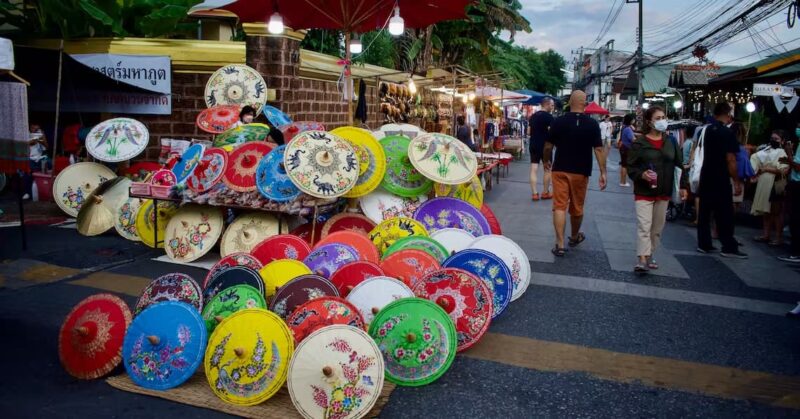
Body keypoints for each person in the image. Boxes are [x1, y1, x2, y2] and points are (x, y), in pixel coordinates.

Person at [543, 90, 607, 257]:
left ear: (570, 103)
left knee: (559, 206)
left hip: (560, 169)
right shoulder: (593, 124)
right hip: (581, 171)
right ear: (585, 104)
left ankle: (560, 244)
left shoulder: (558, 122)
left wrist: (546, 160)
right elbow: (599, 150)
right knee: (577, 207)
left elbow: (548, 146)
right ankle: (573, 236)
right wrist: (603, 172)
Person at [626, 106, 687, 273]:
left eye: (663, 117)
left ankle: (651, 252)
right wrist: (642, 175)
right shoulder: (640, 143)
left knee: (657, 227)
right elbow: (630, 167)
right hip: (644, 192)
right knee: (644, 225)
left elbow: (679, 165)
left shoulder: (671, 142)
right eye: (658, 118)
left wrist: (682, 186)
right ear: (649, 122)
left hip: (664, 191)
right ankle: (642, 258)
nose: (662, 121)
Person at [696, 102, 747, 258]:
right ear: (728, 113)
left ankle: (704, 243)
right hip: (720, 177)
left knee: (705, 212)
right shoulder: (727, 133)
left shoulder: (707, 130)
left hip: (706, 174)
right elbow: (731, 159)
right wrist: (736, 181)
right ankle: (728, 246)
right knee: (724, 213)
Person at [750, 130, 789, 246]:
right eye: (772, 138)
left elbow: (784, 170)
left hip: (774, 182)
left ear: (782, 141)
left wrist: (766, 169)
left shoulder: (783, 153)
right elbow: (755, 159)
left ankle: (778, 237)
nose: (773, 140)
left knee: (776, 212)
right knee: (766, 211)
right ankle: (766, 235)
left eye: (776, 139)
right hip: (764, 181)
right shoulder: (766, 150)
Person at [528, 97, 555, 201]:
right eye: (552, 105)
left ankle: (534, 194)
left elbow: (528, 132)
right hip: (545, 147)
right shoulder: (550, 118)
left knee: (534, 169)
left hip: (533, 144)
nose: (553, 107)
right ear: (546, 105)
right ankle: (545, 192)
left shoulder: (533, 116)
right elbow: (552, 133)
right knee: (547, 169)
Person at [778, 137, 800, 263]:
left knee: (796, 220)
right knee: (794, 219)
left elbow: (798, 168)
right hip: (795, 184)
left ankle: (796, 253)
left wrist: (789, 154)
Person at [618, 114, 635, 187]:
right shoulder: (628, 129)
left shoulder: (625, 127)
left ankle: (622, 181)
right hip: (626, 148)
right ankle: (623, 182)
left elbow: (632, 132)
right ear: (630, 120)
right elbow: (632, 139)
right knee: (625, 166)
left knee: (623, 165)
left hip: (623, 148)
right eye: (633, 119)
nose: (634, 120)